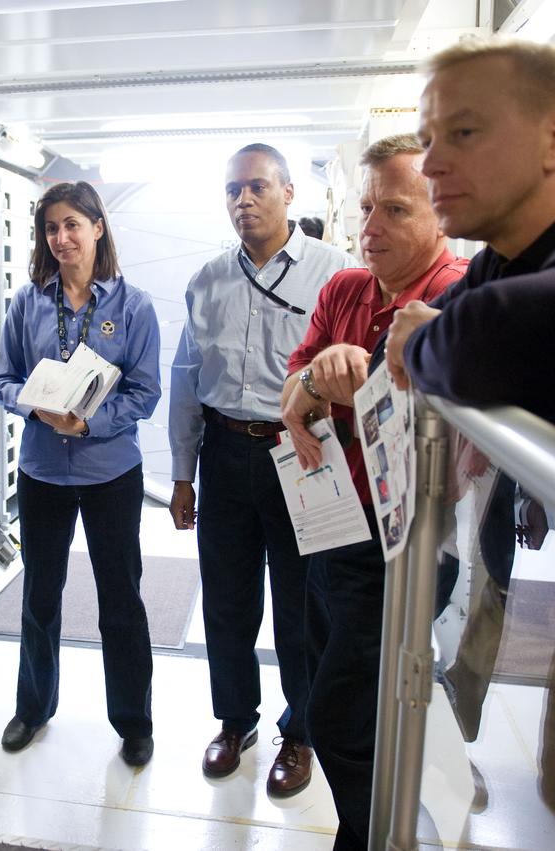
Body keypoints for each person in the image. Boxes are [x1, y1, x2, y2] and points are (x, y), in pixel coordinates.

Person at [382, 36, 555, 809]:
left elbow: (488, 341)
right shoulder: (507, 254)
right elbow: (463, 327)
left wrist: (423, 334)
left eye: (463, 132)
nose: (430, 165)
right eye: (427, 140)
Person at [279, 133, 467, 849]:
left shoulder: (453, 297)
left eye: (395, 208)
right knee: (354, 707)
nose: (371, 227)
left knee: (336, 714)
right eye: (367, 207)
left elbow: (448, 413)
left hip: (405, 545)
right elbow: (288, 393)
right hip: (332, 526)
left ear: (440, 213)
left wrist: (328, 395)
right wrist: (314, 384)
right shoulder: (346, 290)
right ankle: (366, 834)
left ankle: (385, 837)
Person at [169, 143, 360, 797]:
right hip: (224, 454)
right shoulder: (207, 280)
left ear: (288, 194)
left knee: (303, 604)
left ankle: (300, 730)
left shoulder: (336, 274)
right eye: (232, 190)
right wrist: (183, 471)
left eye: (256, 187)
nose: (242, 200)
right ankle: (234, 720)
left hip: (302, 452)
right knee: (225, 599)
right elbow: (187, 380)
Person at [0, 181, 161, 767]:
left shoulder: (132, 306)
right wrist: (31, 406)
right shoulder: (28, 303)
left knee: (121, 597)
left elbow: (145, 392)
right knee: (39, 594)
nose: (62, 238)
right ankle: (33, 708)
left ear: (97, 228)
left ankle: (134, 720)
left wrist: (90, 424)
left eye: (72, 225)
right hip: (41, 472)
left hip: (110, 470)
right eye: (51, 228)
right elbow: (0, 380)